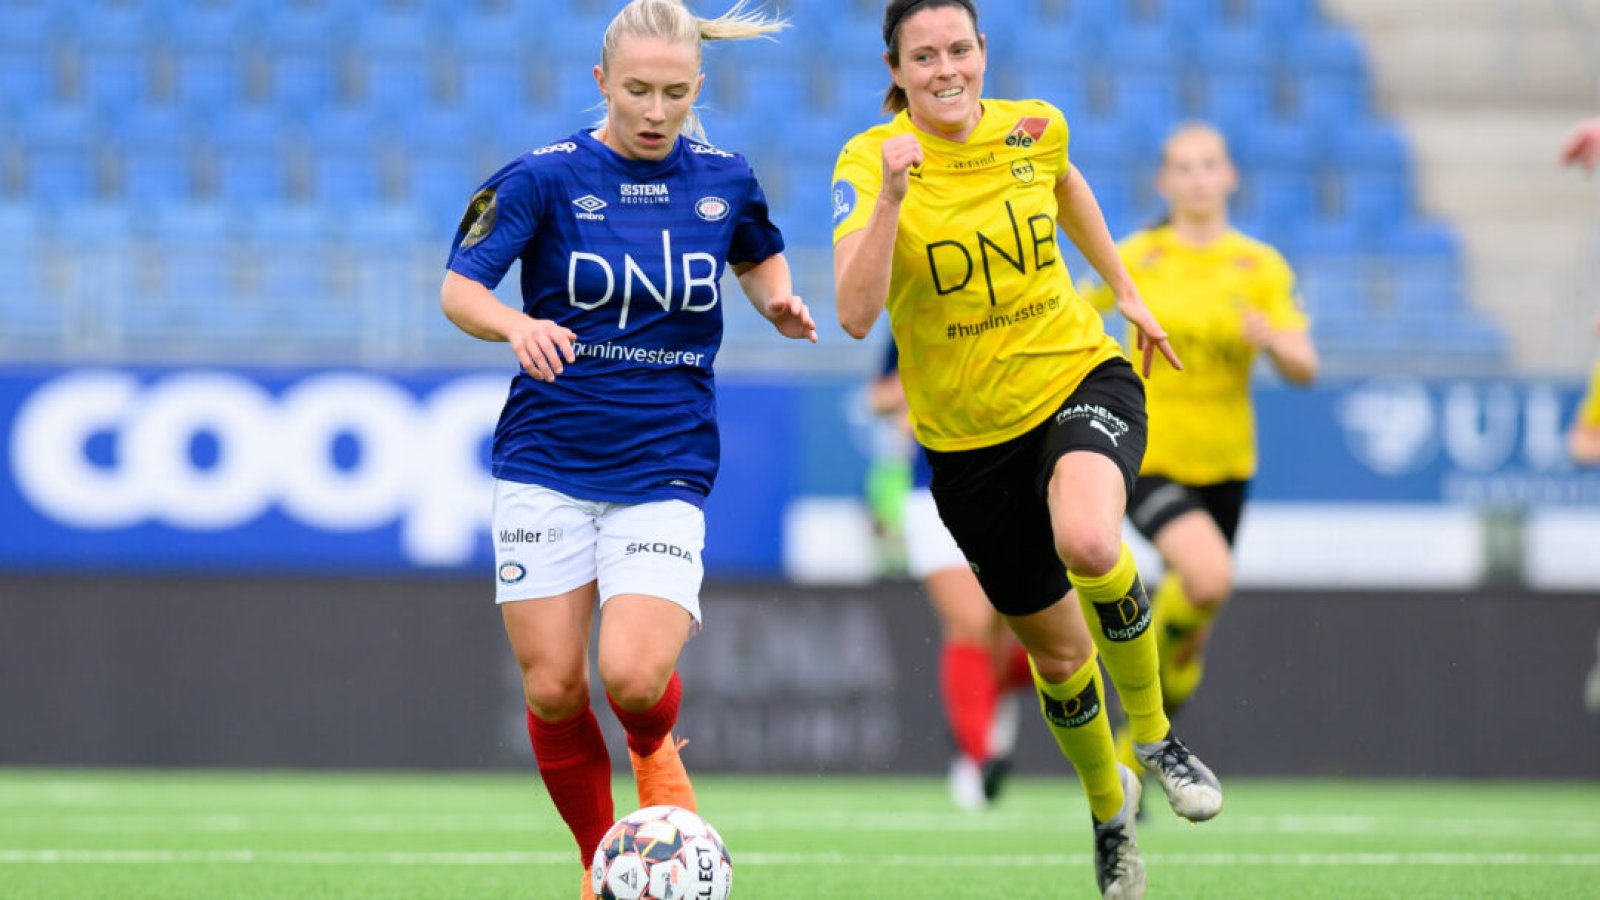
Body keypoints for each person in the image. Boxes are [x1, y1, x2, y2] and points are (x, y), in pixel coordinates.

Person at [832, 2, 1223, 896]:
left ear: (982, 53)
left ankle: (1158, 738)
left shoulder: (1034, 126)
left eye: (959, 50)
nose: (945, 70)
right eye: (923, 56)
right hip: (969, 446)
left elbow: (1067, 185)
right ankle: (1107, 810)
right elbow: (855, 315)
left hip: (1078, 376)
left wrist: (1124, 289)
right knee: (1054, 658)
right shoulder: (865, 161)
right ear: (896, 68)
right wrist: (894, 193)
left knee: (1092, 541)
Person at [439, 3, 814, 898]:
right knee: (555, 688)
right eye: (638, 90)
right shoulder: (544, 178)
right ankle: (601, 861)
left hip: (665, 461)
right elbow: (459, 290)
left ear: (699, 89)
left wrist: (779, 303)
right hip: (548, 459)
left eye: (675, 92)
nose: (655, 109)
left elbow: (757, 253)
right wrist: (515, 323)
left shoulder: (726, 176)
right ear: (602, 83)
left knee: (635, 678)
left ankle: (656, 761)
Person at [1079, 123, 1319, 786]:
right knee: (1209, 577)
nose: (1196, 179)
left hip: (1227, 467)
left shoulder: (1260, 266)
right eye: (1182, 168)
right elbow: (1067, 311)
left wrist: (1272, 338)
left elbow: (1306, 364)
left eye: (1209, 165)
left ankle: (1138, 757)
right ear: (1164, 182)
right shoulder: (1137, 256)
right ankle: (1140, 749)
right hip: (1147, 453)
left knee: (1192, 625)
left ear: (1230, 176)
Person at [869, 339, 1033, 811]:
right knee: (970, 622)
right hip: (933, 491)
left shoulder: (1018, 307)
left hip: (1011, 488)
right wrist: (926, 383)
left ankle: (979, 718)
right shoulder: (913, 312)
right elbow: (876, 397)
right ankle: (979, 758)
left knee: (1017, 638)